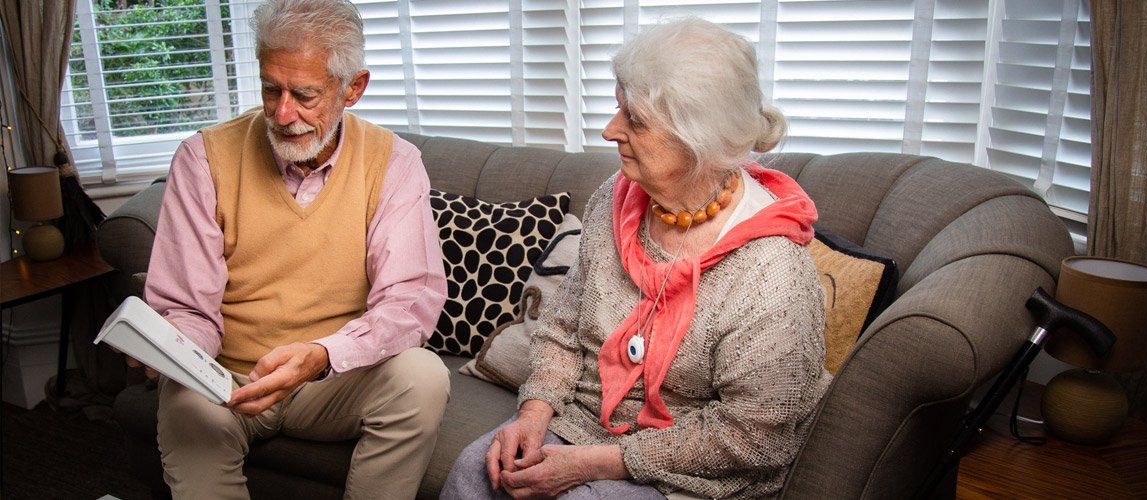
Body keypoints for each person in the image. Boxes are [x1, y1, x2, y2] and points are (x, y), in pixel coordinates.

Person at [442, 17, 831, 500]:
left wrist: (592, 465)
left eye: (636, 120)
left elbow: (753, 438)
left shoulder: (772, 273)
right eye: (618, 109)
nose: (610, 130)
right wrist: (534, 412)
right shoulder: (614, 198)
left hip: (691, 465)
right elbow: (563, 329)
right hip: (586, 423)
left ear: (698, 139)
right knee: (474, 473)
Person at [127, 0, 450, 498]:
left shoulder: (396, 163)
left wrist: (321, 354)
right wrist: (168, 346)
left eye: (304, 95)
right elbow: (189, 306)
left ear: (353, 89)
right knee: (183, 404)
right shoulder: (203, 158)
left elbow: (409, 301)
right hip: (227, 380)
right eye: (270, 89)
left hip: (333, 377)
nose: (282, 113)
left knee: (423, 377)